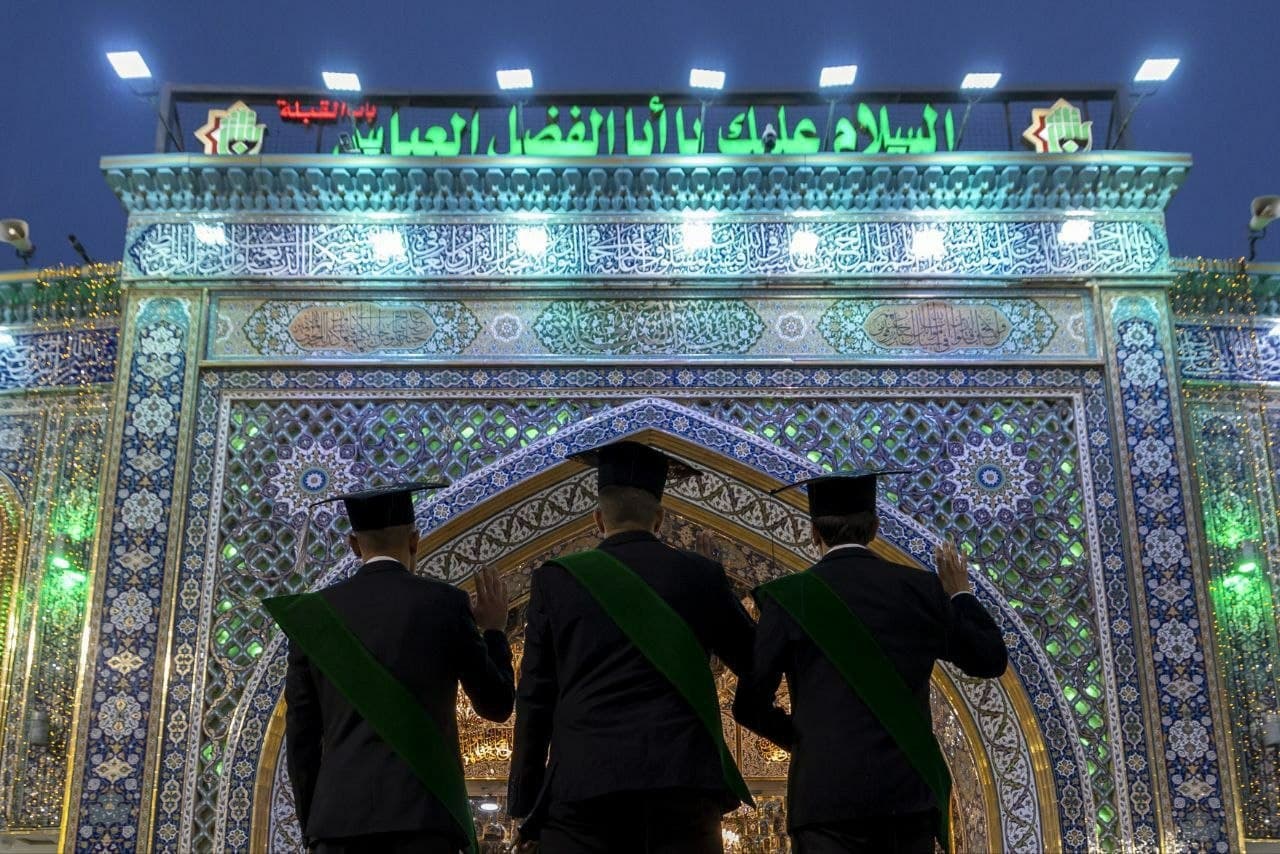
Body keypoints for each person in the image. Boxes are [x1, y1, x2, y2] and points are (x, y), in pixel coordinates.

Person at [507, 440, 790, 853]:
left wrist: (525, 806)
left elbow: (535, 699)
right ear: (659, 518)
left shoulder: (557, 579)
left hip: (583, 790)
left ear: (598, 519)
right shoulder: (701, 576)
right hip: (683, 788)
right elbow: (758, 662)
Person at [735, 471, 1008, 854]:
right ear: (875, 528)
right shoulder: (921, 589)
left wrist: (803, 740)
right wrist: (961, 594)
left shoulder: (788, 597)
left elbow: (749, 706)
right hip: (905, 796)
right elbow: (989, 658)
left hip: (825, 799)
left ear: (814, 534)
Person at [272, 482, 515, 854]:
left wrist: (315, 824)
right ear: (415, 540)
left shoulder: (313, 615)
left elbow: (301, 739)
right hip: (424, 822)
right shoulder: (445, 604)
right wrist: (495, 631)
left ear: (354, 546)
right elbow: (496, 705)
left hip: (339, 827)